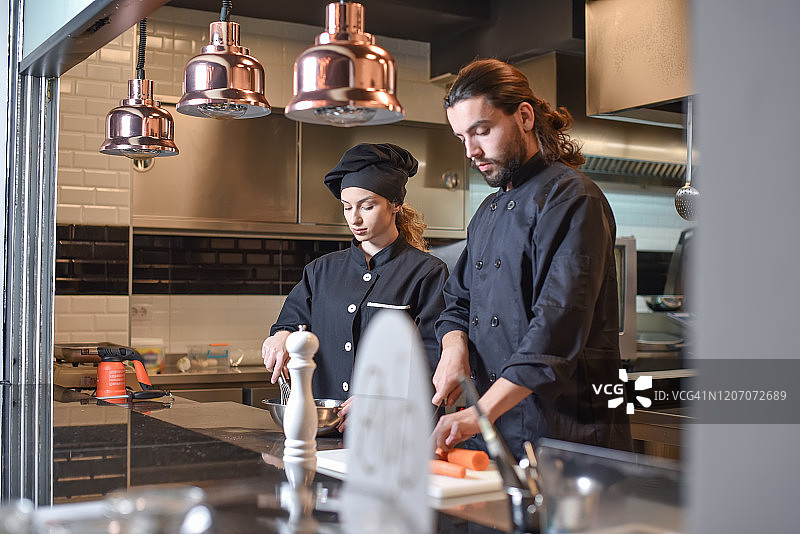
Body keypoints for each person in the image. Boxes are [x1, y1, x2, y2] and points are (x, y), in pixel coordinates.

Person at [431, 59, 632, 459]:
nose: (471, 150)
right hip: (493, 432)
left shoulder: (573, 198)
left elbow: (556, 328)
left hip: (565, 435)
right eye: (461, 138)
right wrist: (454, 347)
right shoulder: (487, 212)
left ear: (524, 116)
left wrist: (479, 414)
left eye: (481, 131)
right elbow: (457, 303)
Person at [262, 143, 448, 429]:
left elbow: (433, 357)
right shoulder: (320, 271)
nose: (355, 218)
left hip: (392, 432)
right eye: (347, 207)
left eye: (367, 206)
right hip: (323, 430)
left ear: (395, 204)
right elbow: (291, 323)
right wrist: (280, 337)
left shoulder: (426, 272)